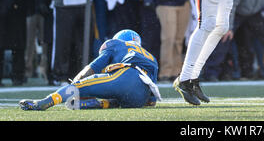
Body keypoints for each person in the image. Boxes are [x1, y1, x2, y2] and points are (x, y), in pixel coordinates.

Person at [19, 29, 161, 110]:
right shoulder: (151, 58)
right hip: (140, 97)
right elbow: (151, 101)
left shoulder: (116, 44)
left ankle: (44, 102)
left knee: (79, 86)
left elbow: (92, 67)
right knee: (118, 99)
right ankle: (101, 103)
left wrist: (76, 84)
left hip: (127, 76)